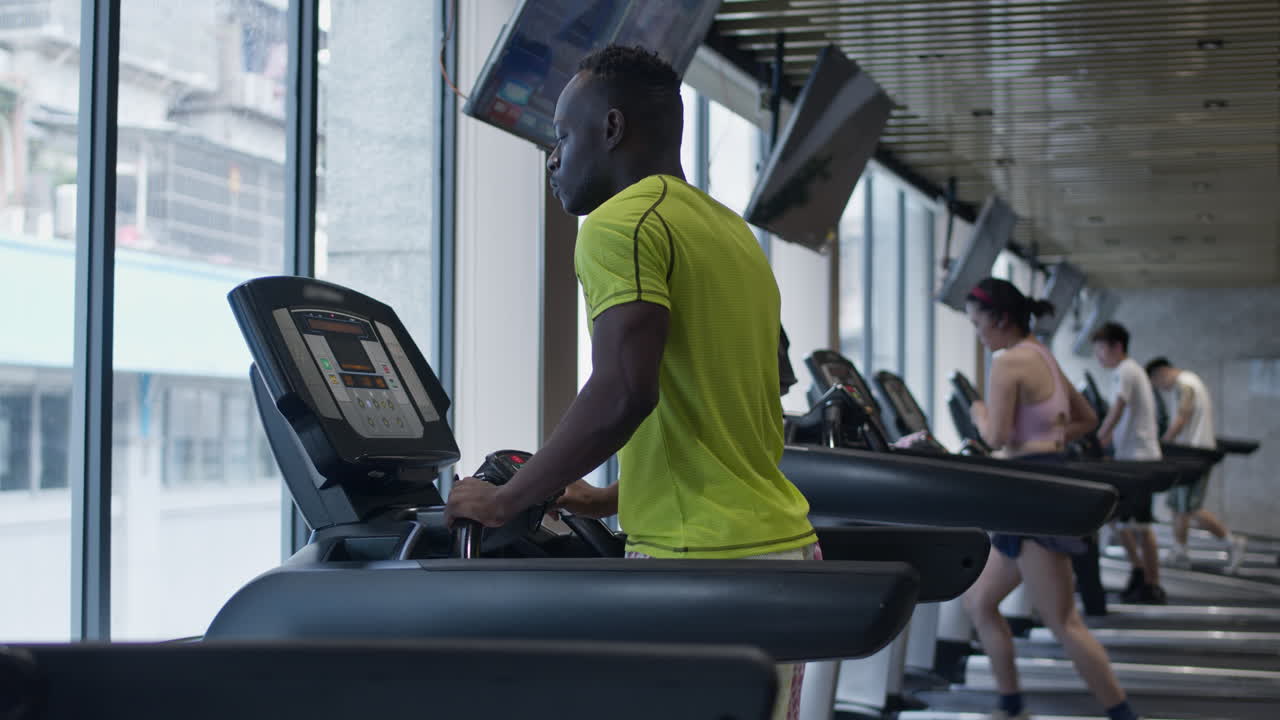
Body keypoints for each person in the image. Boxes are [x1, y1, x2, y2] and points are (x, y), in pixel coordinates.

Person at [443, 45, 817, 720]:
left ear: (611, 129)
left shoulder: (619, 224)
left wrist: (509, 501)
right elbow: (730, 417)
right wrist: (612, 496)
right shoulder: (730, 235)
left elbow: (623, 390)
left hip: (703, 566)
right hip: (781, 551)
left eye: (563, 134)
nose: (554, 155)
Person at [961, 278, 1139, 720]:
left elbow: (996, 435)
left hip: (1030, 494)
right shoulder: (1042, 354)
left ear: (1000, 319)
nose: (977, 332)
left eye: (978, 322)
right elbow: (1088, 419)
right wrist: (1049, 435)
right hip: (1036, 487)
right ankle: (1011, 706)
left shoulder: (1008, 363)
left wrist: (976, 411)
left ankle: (1123, 714)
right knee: (980, 602)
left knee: (1063, 620)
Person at [1146, 357, 1247, 572]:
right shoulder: (1188, 382)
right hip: (1188, 454)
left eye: (1157, 383)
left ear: (1161, 373)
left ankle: (1232, 542)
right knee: (1177, 506)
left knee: (1190, 508)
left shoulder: (1185, 383)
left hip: (1195, 455)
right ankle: (1180, 550)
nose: (1161, 388)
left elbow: (1183, 417)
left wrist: (1163, 443)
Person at [1091, 322, 1166, 604]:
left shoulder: (1126, 370)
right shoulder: (1128, 371)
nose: (1098, 355)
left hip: (1140, 460)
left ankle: (1152, 584)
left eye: (1100, 348)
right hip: (1133, 457)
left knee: (1139, 525)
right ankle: (1140, 573)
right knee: (1124, 523)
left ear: (1116, 346)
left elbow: (1117, 410)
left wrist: (1098, 438)